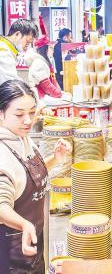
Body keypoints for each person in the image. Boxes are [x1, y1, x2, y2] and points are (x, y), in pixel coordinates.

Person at [0, 80, 70, 273]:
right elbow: (1, 204)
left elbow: (24, 176)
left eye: (32, 112)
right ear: (0, 114)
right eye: (19, 114)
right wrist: (23, 224)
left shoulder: (22, 138)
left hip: (32, 241)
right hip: (11, 253)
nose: (28, 120)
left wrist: (55, 159)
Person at [0, 19, 39, 85]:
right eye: (27, 42)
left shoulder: (8, 49)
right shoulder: (3, 51)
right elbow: (9, 82)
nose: (27, 46)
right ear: (17, 34)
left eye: (29, 44)